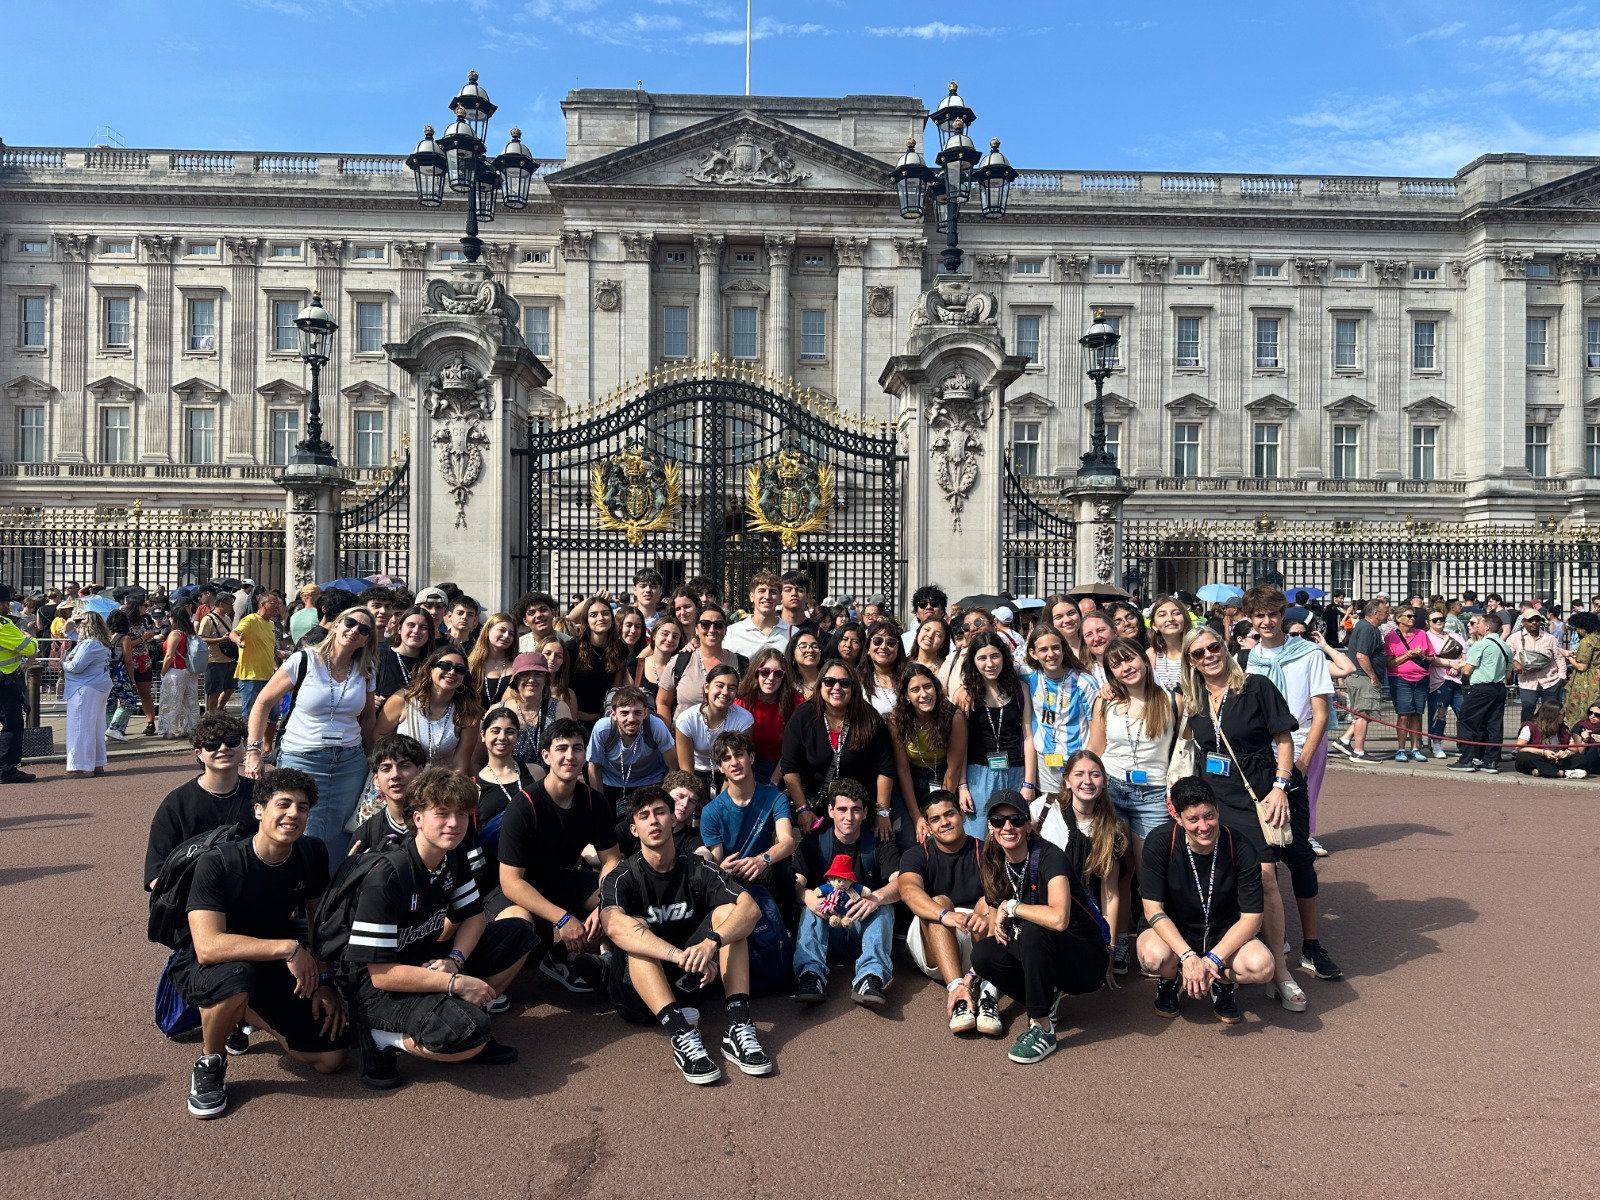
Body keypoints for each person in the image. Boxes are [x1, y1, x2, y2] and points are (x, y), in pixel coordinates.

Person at [345, 767, 538, 1090]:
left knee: (519, 932)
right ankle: (379, 1037)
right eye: (442, 814)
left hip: (429, 959)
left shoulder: (452, 855)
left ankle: (457, 1012)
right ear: (418, 818)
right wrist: (454, 983)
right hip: (379, 987)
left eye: (461, 814)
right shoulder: (387, 877)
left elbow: (474, 917)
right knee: (471, 1036)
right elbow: (381, 974)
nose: (453, 823)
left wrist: (457, 961)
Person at [175, 768, 346, 1118]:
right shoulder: (218, 863)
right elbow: (208, 946)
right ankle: (211, 1060)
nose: (293, 814)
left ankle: (244, 1013)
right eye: (283, 804)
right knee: (237, 979)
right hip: (210, 964)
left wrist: (325, 982)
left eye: (302, 807)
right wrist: (288, 948)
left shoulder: (311, 853)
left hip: (271, 961)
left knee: (331, 1059)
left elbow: (319, 924)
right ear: (258, 810)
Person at [1180, 625, 1315, 1011]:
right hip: (1211, 801)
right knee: (1218, 877)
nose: (1208, 656)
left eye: (1213, 647)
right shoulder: (1192, 699)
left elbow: (1285, 740)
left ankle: (1281, 972)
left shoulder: (1255, 686)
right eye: (1198, 653)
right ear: (1190, 661)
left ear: (1225, 647)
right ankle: (1223, 954)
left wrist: (1280, 786)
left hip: (1256, 796)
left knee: (1268, 880)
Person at [600, 787, 772, 1085]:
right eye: (644, 816)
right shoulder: (622, 875)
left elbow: (751, 910)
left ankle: (738, 1024)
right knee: (635, 928)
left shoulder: (697, 866)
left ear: (673, 820)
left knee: (729, 914)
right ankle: (679, 1030)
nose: (653, 821)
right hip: (637, 994)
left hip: (693, 981)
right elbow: (613, 925)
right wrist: (680, 956)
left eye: (660, 812)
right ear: (634, 829)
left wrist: (712, 943)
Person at [1240, 587, 1341, 974]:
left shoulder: (1309, 655)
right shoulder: (1246, 659)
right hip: (1254, 764)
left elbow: (1319, 713)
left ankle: (1312, 944)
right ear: (1249, 618)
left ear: (1282, 614)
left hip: (1294, 758)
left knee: (1298, 854)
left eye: (1272, 614)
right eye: (1259, 616)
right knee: (1258, 858)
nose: (1266, 621)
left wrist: (1301, 761)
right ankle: (1265, 932)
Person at [968, 789, 1109, 1064]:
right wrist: (972, 977)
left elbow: (1059, 919)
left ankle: (1041, 1027)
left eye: (1017, 819)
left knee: (1033, 928)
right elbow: (995, 928)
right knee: (983, 954)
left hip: (1085, 960)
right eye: (999, 820)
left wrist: (1013, 907)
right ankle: (1048, 995)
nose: (1007, 827)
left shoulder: (1049, 856)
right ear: (990, 825)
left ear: (1029, 824)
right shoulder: (994, 860)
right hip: (1042, 951)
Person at [493, 718, 621, 994]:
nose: (570, 756)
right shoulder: (524, 806)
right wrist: (562, 919)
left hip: (562, 879)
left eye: (577, 748)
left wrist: (606, 903)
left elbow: (612, 860)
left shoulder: (593, 801)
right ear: (546, 756)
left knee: (623, 896)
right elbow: (511, 882)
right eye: (561, 748)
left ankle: (597, 960)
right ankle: (487, 991)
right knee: (521, 928)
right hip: (520, 886)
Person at [244, 605, 380, 859]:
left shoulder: (366, 668)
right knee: (299, 828)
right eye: (349, 623)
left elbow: (368, 718)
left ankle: (334, 892)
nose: (354, 631)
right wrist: (253, 750)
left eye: (363, 630)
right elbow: (262, 703)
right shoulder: (304, 659)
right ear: (336, 624)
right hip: (303, 758)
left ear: (367, 640)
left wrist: (372, 758)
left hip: (349, 762)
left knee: (345, 831)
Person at [1137, 776, 1275, 1023]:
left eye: (1209, 816)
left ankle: (1221, 981)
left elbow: (1253, 918)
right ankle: (1170, 979)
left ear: (1218, 810)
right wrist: (1188, 957)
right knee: (1152, 957)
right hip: (1175, 933)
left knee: (1263, 967)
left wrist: (1212, 959)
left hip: (1223, 933)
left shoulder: (1241, 847)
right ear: (1178, 818)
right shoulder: (1159, 843)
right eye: (1193, 819)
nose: (1204, 826)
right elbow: (1152, 910)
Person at [792, 778, 901, 1009]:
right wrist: (806, 896)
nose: (848, 817)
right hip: (829, 930)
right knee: (810, 904)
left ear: (865, 813)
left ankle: (869, 978)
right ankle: (811, 975)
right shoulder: (814, 843)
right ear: (830, 811)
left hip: (863, 932)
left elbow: (903, 883)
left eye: (855, 810)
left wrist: (876, 898)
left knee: (885, 905)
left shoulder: (878, 843)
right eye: (842, 809)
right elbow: (795, 884)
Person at [896, 789, 995, 1034]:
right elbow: (908, 891)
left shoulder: (987, 851)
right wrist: (944, 915)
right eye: (936, 819)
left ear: (962, 815)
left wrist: (983, 917)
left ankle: (987, 993)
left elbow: (1001, 899)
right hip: (936, 945)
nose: (944, 823)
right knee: (938, 901)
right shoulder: (917, 854)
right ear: (928, 826)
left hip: (979, 942)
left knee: (990, 901)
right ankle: (957, 993)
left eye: (949, 814)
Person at [1030, 751, 1130, 977]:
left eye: (1095, 775)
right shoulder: (1043, 809)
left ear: (1103, 782)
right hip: (1042, 902)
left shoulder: (1110, 827)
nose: (1087, 781)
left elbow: (1110, 893)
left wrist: (1110, 950)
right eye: (1079, 774)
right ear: (1066, 780)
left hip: (1083, 910)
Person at [780, 656, 896, 837]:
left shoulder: (869, 718)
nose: (836, 688)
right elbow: (789, 768)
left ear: (853, 687)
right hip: (816, 806)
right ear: (820, 685)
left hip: (858, 808)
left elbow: (885, 768)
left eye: (844, 683)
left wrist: (882, 812)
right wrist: (802, 809)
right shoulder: (804, 716)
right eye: (829, 681)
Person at [1089, 637, 1176, 866]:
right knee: (1116, 871)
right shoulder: (1105, 702)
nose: (1125, 668)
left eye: (1129, 659)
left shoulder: (1173, 701)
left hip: (1154, 795)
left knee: (1151, 870)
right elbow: (1095, 749)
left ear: (1144, 660)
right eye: (1116, 665)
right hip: (1111, 789)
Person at [144, 714, 258, 888]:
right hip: (195, 897)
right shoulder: (176, 803)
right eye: (212, 745)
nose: (223, 749)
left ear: (244, 746)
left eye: (232, 742)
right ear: (199, 754)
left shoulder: (262, 794)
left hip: (252, 890)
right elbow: (156, 871)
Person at [700, 730, 799, 924]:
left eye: (739, 755)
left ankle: (786, 930)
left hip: (764, 869)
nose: (734, 763)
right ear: (721, 768)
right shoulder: (711, 811)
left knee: (783, 870)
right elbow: (717, 861)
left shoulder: (774, 797)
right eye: (726, 759)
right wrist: (722, 870)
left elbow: (788, 842)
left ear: (751, 757)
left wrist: (763, 859)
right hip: (734, 877)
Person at [951, 631, 1037, 841]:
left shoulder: (1019, 689)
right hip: (977, 775)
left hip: (1015, 771)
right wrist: (962, 786)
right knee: (978, 838)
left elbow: (1028, 736)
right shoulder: (964, 694)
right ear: (973, 661)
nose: (990, 664)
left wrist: (1029, 784)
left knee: (1012, 836)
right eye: (982, 658)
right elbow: (960, 745)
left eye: (995, 656)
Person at [1021, 623, 1097, 804]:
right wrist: (963, 689)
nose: (1051, 654)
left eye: (1055, 648)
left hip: (1077, 762)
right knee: (1051, 817)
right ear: (1033, 654)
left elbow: (1097, 729)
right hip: (1046, 763)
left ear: (1064, 650)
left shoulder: (1084, 682)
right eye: (1043, 650)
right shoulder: (1028, 676)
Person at [887, 664, 962, 844]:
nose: (924, 694)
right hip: (911, 781)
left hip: (945, 778)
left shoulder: (953, 716)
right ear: (906, 695)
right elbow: (903, 770)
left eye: (927, 686)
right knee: (910, 837)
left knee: (944, 833)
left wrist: (939, 814)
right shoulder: (896, 719)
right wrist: (917, 817)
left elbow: (954, 767)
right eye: (915, 690)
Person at [587, 685, 679, 811]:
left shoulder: (655, 726)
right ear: (613, 714)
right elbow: (594, 766)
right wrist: (600, 802)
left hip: (650, 781)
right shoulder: (603, 729)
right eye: (624, 713)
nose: (631, 719)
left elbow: (673, 766)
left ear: (645, 713)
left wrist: (666, 800)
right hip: (613, 783)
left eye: (637, 712)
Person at [656, 602, 746, 724]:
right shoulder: (680, 661)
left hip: (727, 739)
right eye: (705, 624)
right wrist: (666, 739)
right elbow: (663, 702)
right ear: (696, 629)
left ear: (725, 629)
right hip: (685, 739)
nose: (712, 629)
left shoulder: (741, 663)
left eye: (718, 625)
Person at [1449, 612, 1514, 774]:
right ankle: (1491, 761)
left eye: (1480, 623)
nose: (1476, 625)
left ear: (1487, 627)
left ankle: (1466, 759)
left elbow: (1468, 670)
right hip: (1499, 688)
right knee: (1494, 725)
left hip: (1481, 687)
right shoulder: (1506, 647)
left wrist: (1459, 666)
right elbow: (1508, 675)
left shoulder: (1481, 645)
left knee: (1466, 721)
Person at [675, 663, 754, 791]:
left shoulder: (744, 719)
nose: (725, 692)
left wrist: (721, 801)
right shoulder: (686, 721)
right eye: (720, 685)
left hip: (732, 773)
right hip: (697, 774)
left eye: (731, 688)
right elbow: (687, 772)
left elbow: (740, 760)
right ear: (706, 687)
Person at [347, 734, 429, 857]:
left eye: (404, 766)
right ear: (376, 779)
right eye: (386, 769)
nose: (395, 775)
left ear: (420, 772)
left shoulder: (440, 823)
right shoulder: (365, 835)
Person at [1337, 599, 1390, 763]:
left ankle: (1344, 741)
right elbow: (1361, 655)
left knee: (1365, 712)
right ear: (1376, 613)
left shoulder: (1367, 627)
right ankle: (1358, 751)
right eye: (1385, 611)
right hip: (1363, 677)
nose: (1388, 614)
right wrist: (1372, 676)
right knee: (1363, 713)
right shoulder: (1367, 628)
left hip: (1362, 676)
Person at [61, 610, 113, 778]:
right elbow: (67, 631)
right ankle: (96, 763)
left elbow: (76, 666)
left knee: (79, 727)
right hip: (97, 685)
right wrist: (71, 620)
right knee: (96, 727)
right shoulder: (100, 642)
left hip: (84, 687)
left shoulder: (89, 644)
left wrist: (64, 663)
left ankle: (80, 766)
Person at [734, 648, 795, 785]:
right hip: (751, 765)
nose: (771, 678)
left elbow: (793, 748)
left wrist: (774, 781)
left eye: (778, 673)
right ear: (756, 672)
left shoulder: (794, 701)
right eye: (765, 672)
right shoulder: (741, 702)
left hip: (785, 766)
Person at [503, 650, 570, 773]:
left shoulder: (559, 708)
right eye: (525, 674)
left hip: (548, 782)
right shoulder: (500, 710)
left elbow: (567, 752)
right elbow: (478, 759)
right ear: (515, 679)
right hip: (510, 780)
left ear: (546, 679)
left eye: (538, 674)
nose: (531, 680)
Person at [568, 596, 629, 728]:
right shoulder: (572, 648)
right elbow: (569, 618)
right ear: (586, 620)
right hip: (574, 719)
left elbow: (615, 688)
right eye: (594, 615)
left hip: (604, 720)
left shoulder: (621, 649)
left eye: (605, 613)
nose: (600, 618)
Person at [1383, 606, 1431, 762]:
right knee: (1403, 714)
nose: (1412, 618)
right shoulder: (1391, 637)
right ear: (1398, 618)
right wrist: (1408, 655)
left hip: (1422, 678)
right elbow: (1390, 663)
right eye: (1409, 616)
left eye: (1413, 616)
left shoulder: (1422, 634)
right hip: (1400, 679)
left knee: (1417, 714)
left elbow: (1431, 658)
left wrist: (1422, 656)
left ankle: (1415, 748)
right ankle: (1401, 748)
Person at [230, 592, 284, 726]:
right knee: (250, 714)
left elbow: (268, 649)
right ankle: (248, 744)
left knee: (273, 715)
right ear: (262, 605)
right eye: (273, 603)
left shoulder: (271, 624)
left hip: (269, 676)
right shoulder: (250, 620)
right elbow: (234, 633)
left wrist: (276, 665)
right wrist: (237, 640)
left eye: (278, 604)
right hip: (251, 677)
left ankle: (267, 746)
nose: (277, 606)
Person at [1424, 607, 1469, 760]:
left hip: (1457, 681)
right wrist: (1451, 663)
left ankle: (1466, 745)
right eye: (1435, 620)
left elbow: (1466, 655)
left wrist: (1458, 666)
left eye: (1441, 619)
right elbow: (1431, 659)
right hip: (1438, 681)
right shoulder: (1426, 637)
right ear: (1428, 622)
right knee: (1439, 712)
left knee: (1463, 712)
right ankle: (1436, 744)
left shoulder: (1455, 636)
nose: (1439, 622)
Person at [1508, 612, 1566, 723]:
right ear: (1523, 622)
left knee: (1551, 714)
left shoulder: (1549, 638)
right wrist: (1514, 663)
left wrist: (1561, 678)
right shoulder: (1514, 638)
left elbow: (1559, 658)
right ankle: (1526, 737)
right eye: (1530, 620)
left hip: (1550, 681)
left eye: (1537, 620)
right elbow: (1506, 655)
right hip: (1527, 683)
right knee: (1527, 710)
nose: (1534, 622)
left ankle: (1549, 737)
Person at [1513, 702, 1595, 779]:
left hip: (1555, 759)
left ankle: (1542, 771)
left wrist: (1566, 752)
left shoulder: (1563, 728)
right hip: (1538, 757)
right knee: (1523, 757)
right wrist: (1543, 752)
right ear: (1552, 715)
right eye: (1561, 714)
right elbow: (1519, 747)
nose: (1564, 717)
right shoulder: (1530, 727)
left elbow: (1574, 748)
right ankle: (1562, 773)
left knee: (1582, 759)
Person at [724, 570, 793, 659]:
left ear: (780, 598)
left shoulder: (793, 633)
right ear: (751, 597)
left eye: (773, 592)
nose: (767, 596)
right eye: (762, 591)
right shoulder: (733, 632)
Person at [374, 605, 436, 704]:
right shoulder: (379, 657)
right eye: (411, 625)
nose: (416, 631)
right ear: (399, 629)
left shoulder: (434, 664)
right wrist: (368, 701)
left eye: (423, 627)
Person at [157, 607, 199, 740]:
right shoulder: (189, 633)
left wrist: (163, 671)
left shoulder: (175, 634)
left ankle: (170, 730)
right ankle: (191, 727)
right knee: (190, 701)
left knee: (171, 701)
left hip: (176, 670)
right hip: (189, 670)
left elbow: (169, 656)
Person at [468, 612, 519, 712]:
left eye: (511, 634)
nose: (506, 636)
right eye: (502, 630)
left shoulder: (517, 663)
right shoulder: (471, 664)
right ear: (487, 631)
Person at [635, 617, 685, 710]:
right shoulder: (636, 665)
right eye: (665, 634)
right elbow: (624, 699)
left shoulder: (684, 667)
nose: (670, 639)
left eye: (675, 636)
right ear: (653, 635)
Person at [1562, 611, 1600, 728]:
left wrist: (1567, 655)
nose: (1577, 631)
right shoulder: (1597, 638)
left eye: (1578, 628)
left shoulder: (1587, 641)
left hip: (1587, 679)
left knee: (1582, 708)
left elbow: (1581, 666)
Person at [1146, 594, 1190, 693]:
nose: (1170, 619)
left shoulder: (1197, 652)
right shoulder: (1151, 655)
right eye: (1162, 615)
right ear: (1154, 625)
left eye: (1176, 613)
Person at [785, 626, 825, 704]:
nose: (810, 650)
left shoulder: (828, 680)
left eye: (814, 646)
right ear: (793, 654)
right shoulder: (788, 684)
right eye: (803, 646)